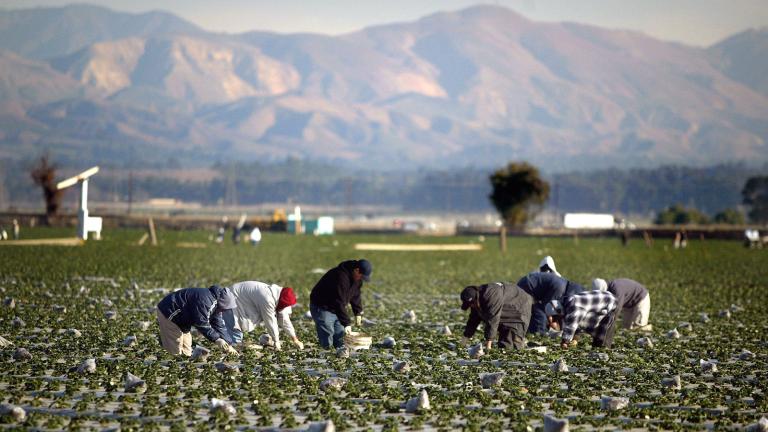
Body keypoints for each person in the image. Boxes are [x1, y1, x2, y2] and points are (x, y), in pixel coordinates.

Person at [156, 285, 239, 356]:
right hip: (169, 312)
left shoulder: (216, 305)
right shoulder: (205, 300)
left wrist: (228, 343)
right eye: (225, 308)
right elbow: (201, 324)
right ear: (222, 302)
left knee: (187, 345)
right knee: (175, 345)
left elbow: (218, 324)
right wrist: (217, 339)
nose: (224, 311)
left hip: (183, 319)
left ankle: (184, 363)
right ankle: (174, 363)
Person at [309, 259, 372, 348]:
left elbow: (355, 295)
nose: (361, 279)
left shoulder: (357, 278)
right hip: (322, 306)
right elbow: (339, 301)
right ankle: (326, 354)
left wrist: (358, 312)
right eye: (361, 276)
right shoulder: (340, 276)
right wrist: (346, 323)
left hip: (337, 308)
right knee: (327, 332)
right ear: (356, 270)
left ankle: (339, 356)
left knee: (340, 336)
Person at [222, 281, 303, 350]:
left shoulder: (281, 297)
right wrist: (276, 341)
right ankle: (232, 346)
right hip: (234, 296)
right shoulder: (267, 298)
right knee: (236, 325)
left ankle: (234, 343)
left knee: (244, 323)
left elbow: (284, 319)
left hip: (246, 299)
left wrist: (295, 339)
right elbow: (270, 321)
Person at [459, 282, 534, 350]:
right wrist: (464, 340)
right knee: (502, 345)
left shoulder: (491, 295)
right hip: (506, 309)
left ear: (476, 299)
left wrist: (488, 346)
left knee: (509, 346)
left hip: (519, 307)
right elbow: (473, 320)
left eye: (472, 304)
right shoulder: (477, 300)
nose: (471, 306)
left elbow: (493, 319)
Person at [545, 289, 618, 349]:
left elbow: (572, 324)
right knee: (586, 321)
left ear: (559, 310)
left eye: (556, 317)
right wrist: (575, 338)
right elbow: (577, 322)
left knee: (603, 329)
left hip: (609, 301)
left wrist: (565, 341)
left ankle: (601, 345)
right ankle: (597, 344)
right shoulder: (566, 302)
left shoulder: (573, 305)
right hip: (602, 300)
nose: (558, 319)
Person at [516, 272, 585, 334]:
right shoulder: (559, 289)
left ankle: (535, 330)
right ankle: (539, 333)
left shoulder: (563, 286)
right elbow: (546, 309)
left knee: (538, 310)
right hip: (526, 286)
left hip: (528, 283)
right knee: (540, 310)